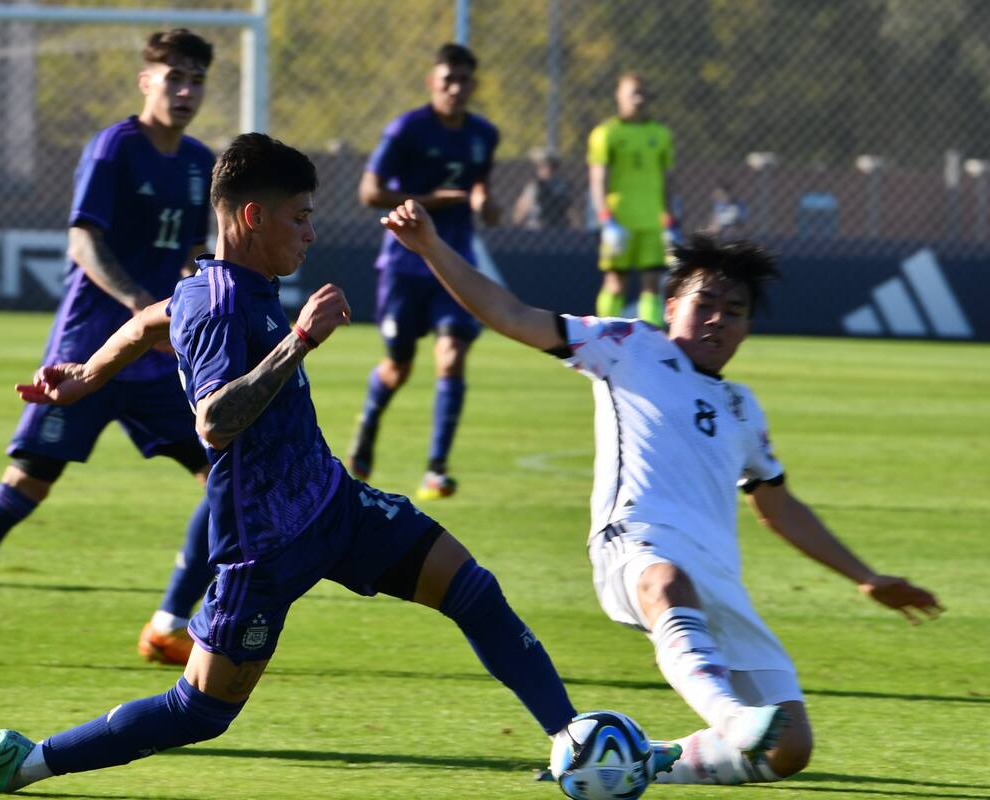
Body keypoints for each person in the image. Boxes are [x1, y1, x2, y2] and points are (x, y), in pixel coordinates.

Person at [0, 132, 632, 795]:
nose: (311, 234)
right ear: (252, 217)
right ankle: (30, 761)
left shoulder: (225, 285)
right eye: (301, 218)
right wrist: (300, 341)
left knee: (473, 591)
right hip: (264, 545)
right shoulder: (221, 303)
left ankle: (574, 740)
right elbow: (214, 422)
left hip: (333, 505)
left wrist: (87, 377)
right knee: (200, 712)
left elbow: (146, 324)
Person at [377, 199, 944, 786]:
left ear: (748, 327)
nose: (717, 320)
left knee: (790, 749)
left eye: (735, 311)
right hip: (636, 546)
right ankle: (729, 717)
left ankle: (635, 762)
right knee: (667, 586)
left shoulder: (742, 407)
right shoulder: (629, 345)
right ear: (672, 306)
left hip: (717, 579)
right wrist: (432, 248)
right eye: (704, 303)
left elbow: (777, 506)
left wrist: (865, 576)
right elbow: (513, 314)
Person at [0, 29, 218, 668]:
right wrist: (134, 304)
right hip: (84, 359)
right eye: (173, 77)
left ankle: (168, 625)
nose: (184, 91)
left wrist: (191, 291)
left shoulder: (199, 162)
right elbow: (82, 241)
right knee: (25, 489)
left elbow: (184, 253)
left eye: (196, 80)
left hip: (155, 361)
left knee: (228, 475)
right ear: (145, 80)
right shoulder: (113, 149)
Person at [347, 42, 501, 500]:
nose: (454, 89)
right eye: (446, 80)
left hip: (454, 265)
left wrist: (485, 205)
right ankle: (369, 425)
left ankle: (436, 468)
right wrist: (434, 200)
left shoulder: (483, 135)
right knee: (399, 366)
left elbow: (480, 195)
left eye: (463, 81)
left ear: (473, 85)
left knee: (451, 356)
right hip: (403, 264)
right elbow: (370, 192)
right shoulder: (408, 130)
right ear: (432, 82)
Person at [588, 72, 676, 328]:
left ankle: (649, 342)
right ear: (619, 96)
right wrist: (606, 219)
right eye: (632, 94)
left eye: (642, 94)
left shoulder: (660, 133)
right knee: (616, 282)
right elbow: (598, 179)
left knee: (652, 284)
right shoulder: (607, 133)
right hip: (620, 220)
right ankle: (604, 335)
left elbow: (668, 179)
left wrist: (670, 219)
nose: (638, 100)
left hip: (652, 221)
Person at [511, 147, 575, 230]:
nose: (545, 170)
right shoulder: (533, 186)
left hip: (559, 227)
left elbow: (570, 209)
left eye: (548, 166)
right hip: (537, 229)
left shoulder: (561, 185)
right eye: (541, 167)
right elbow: (520, 211)